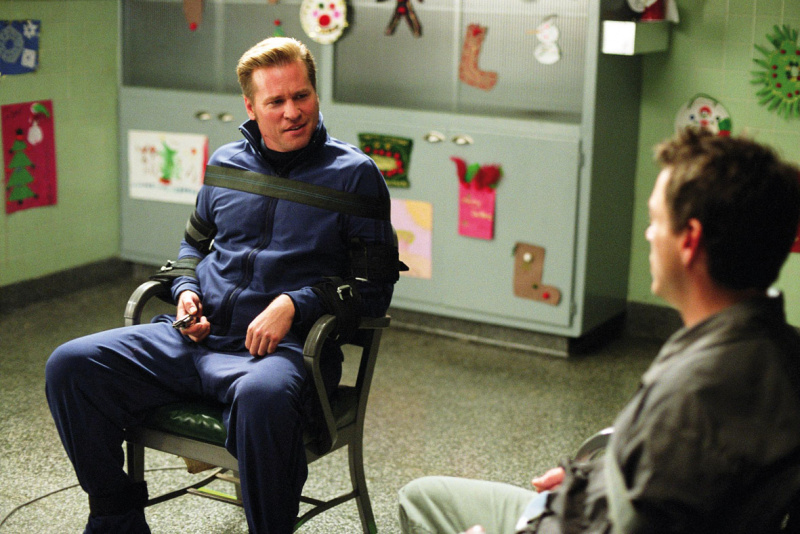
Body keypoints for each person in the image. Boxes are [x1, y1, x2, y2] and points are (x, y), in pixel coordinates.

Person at [46, 37, 401, 534]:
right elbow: (191, 248)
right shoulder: (225, 164)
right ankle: (116, 517)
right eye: (276, 101)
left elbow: (374, 288)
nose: (293, 112)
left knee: (261, 399)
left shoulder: (356, 175)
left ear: (316, 94)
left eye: (301, 96)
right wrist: (186, 291)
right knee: (70, 366)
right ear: (250, 107)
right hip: (194, 339)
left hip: (284, 354)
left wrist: (294, 304)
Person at [398, 128, 800, 534]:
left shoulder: (692, 395)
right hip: (588, 504)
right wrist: (589, 476)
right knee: (427, 494)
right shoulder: (776, 349)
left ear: (689, 241)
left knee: (420, 500)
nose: (649, 234)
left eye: (656, 220)